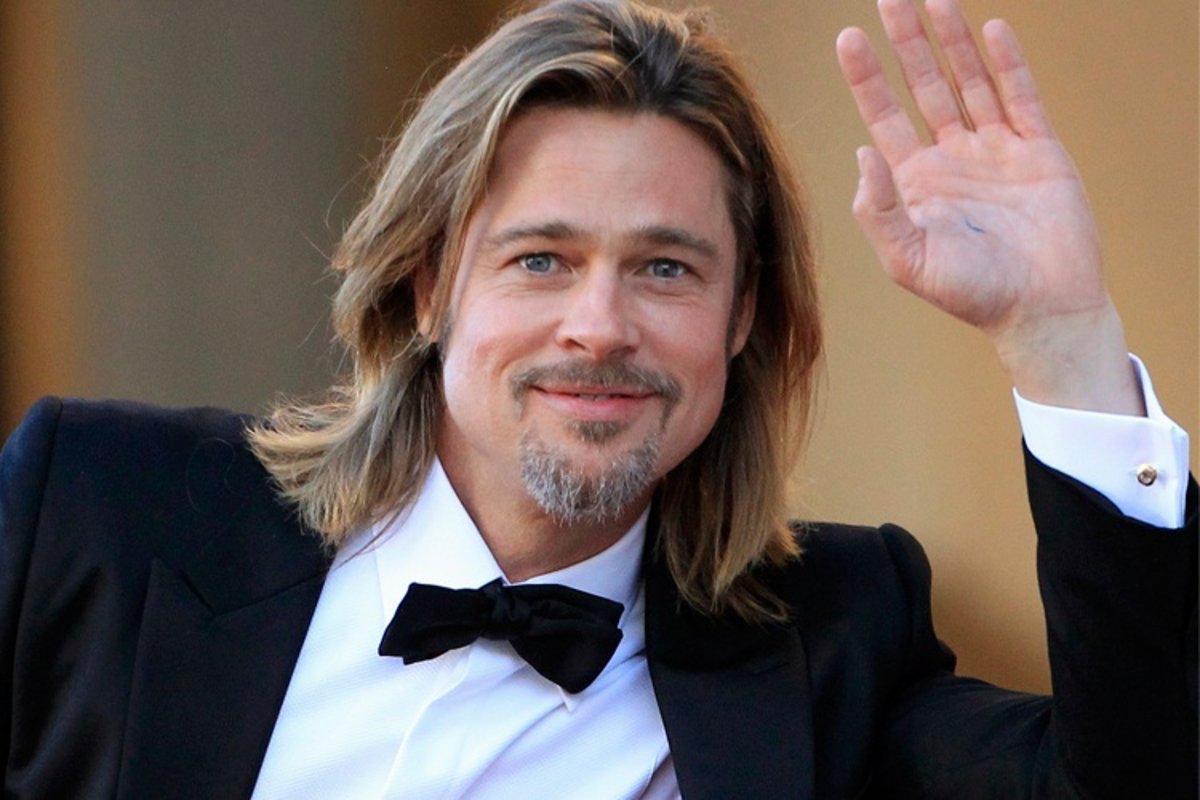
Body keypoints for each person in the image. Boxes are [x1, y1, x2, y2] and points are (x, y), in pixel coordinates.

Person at [0, 0, 1194, 797]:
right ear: (428, 285)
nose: (601, 324)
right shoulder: (97, 514)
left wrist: (1062, 338)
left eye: (666, 268)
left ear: (740, 316)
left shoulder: (832, 649)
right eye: (541, 258)